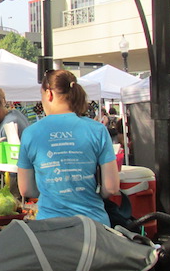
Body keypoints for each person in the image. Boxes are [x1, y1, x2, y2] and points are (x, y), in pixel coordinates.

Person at [17, 69, 120, 226]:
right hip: (94, 226)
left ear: (49, 94)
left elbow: (26, 190)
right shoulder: (98, 130)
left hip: (50, 226)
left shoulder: (31, 133)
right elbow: (111, 188)